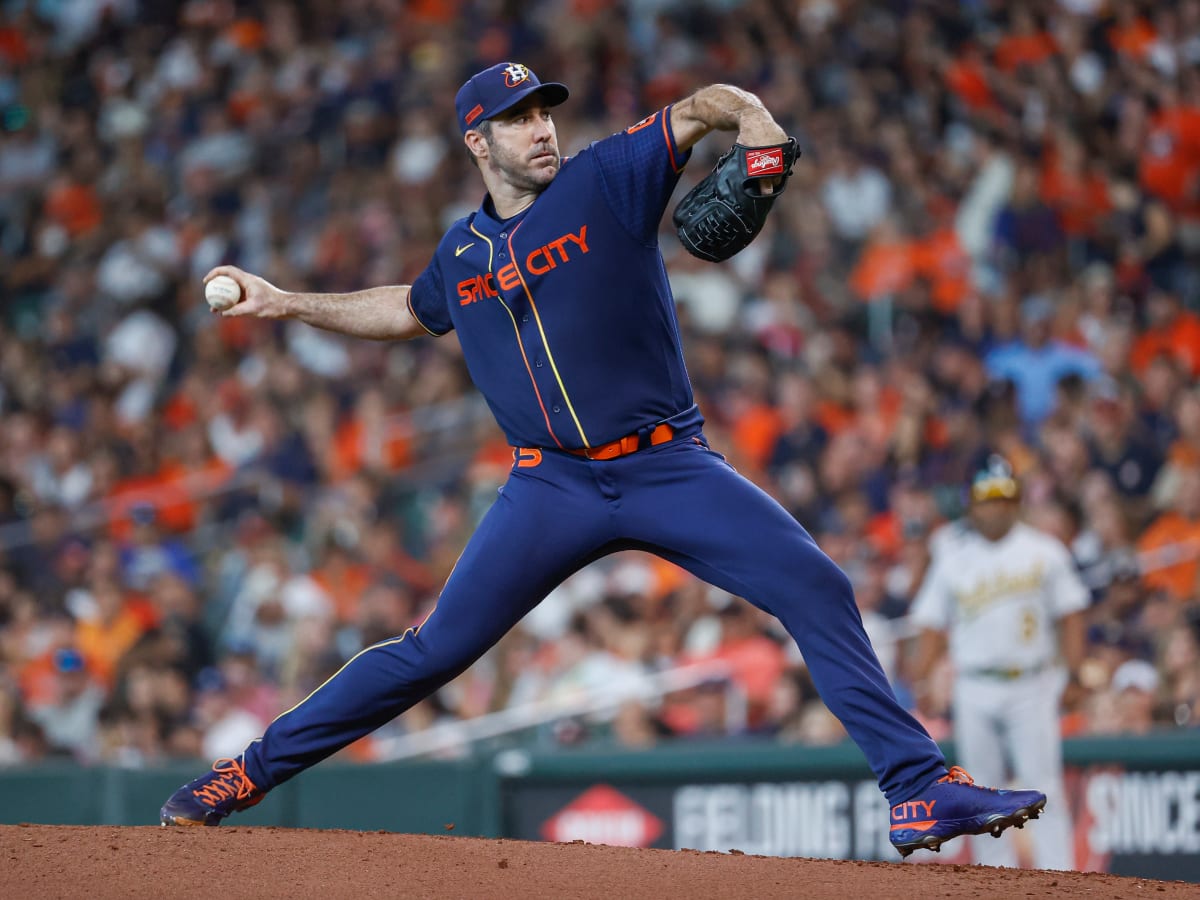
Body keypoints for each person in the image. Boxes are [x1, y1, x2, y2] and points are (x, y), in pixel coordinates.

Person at [160, 62, 1047, 858]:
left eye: (545, 112)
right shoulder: (461, 252)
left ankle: (916, 789)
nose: (542, 128)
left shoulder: (607, 180)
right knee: (430, 651)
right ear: (478, 139)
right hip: (550, 485)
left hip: (668, 466)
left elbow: (702, 106)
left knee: (816, 584)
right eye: (518, 119)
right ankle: (244, 774)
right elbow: (407, 308)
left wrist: (755, 122)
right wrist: (286, 304)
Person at [908, 455, 1088, 868]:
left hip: (1032, 682)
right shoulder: (953, 557)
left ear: (1016, 502)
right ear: (971, 504)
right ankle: (995, 881)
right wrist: (922, 680)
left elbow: (1071, 614)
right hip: (974, 685)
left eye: (1003, 498)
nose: (995, 507)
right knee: (983, 793)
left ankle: (1061, 880)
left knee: (1044, 787)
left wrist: (1076, 673)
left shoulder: (1043, 551)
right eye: (987, 499)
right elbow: (930, 624)